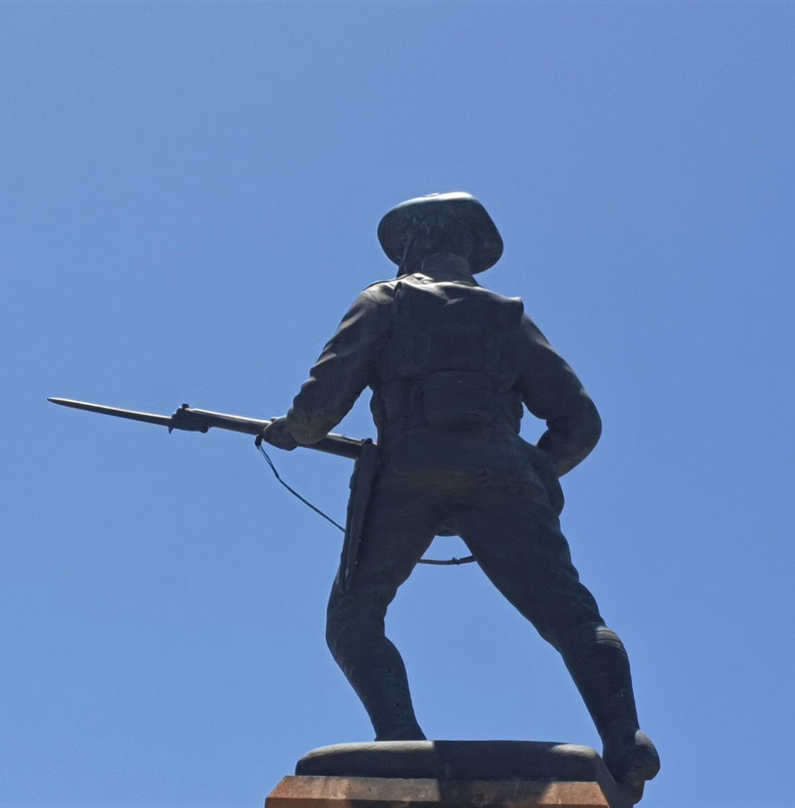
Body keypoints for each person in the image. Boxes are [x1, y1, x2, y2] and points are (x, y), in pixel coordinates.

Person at [262, 192, 659, 801]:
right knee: (573, 619)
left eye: (405, 241)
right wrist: (534, 470)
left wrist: (290, 432)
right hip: (507, 477)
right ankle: (626, 738)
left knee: (353, 617)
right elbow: (581, 422)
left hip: (404, 474)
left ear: (425, 239)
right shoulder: (508, 317)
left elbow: (318, 408)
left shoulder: (384, 302)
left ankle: (399, 738)